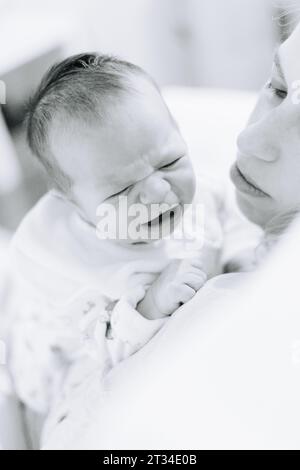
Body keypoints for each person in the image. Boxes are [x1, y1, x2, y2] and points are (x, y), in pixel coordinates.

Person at [41, 20, 300, 450]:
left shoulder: (234, 297)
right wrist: (148, 306)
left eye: (170, 162)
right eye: (276, 86)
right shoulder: (87, 247)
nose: (248, 138)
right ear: (75, 208)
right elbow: (94, 330)